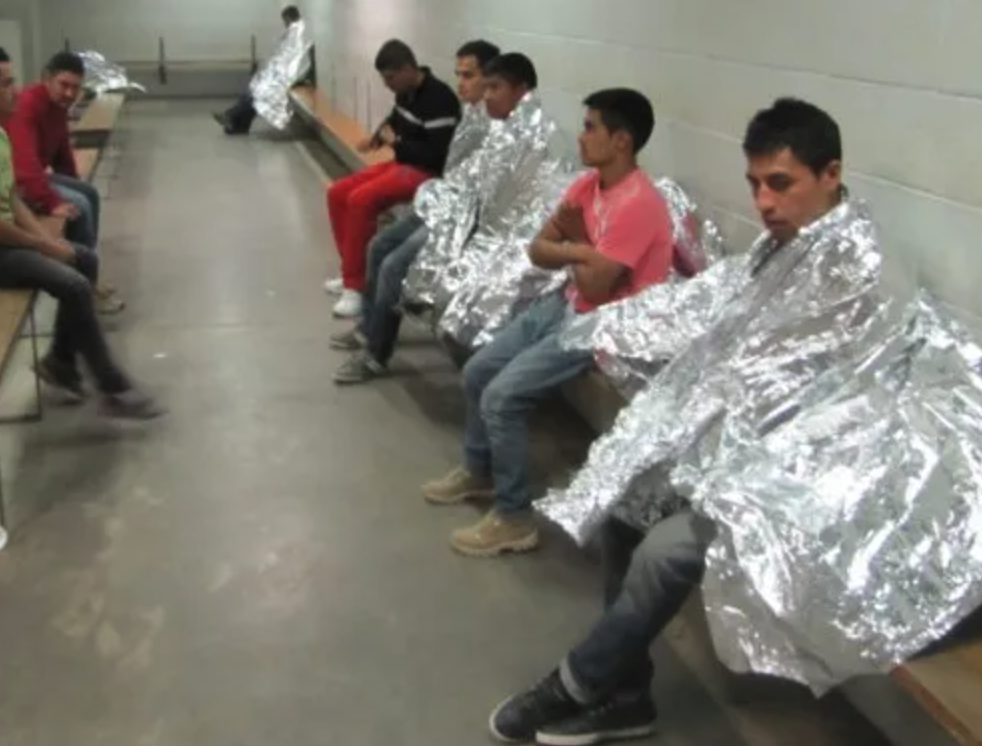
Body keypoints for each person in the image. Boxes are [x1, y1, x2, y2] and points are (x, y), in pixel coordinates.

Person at [487, 98, 846, 745]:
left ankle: (576, 683)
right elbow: (705, 307)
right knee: (626, 504)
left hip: (788, 481)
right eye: (755, 185)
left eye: (781, 184)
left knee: (662, 551)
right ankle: (628, 695)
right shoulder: (781, 251)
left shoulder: (849, 272)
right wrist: (608, 326)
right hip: (733, 452)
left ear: (830, 174)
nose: (764, 203)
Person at [423, 89, 674, 558]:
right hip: (567, 303)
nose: (581, 136)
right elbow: (538, 248)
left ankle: (515, 518)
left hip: (602, 326)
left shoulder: (639, 203)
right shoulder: (588, 186)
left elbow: (601, 290)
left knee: (502, 397)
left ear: (621, 140)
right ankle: (479, 472)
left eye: (591, 127)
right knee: (479, 370)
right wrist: (580, 248)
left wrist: (575, 246)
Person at [0, 45, 164, 420]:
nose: (15, 90)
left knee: (83, 258)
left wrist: (47, 239)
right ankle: (113, 387)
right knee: (71, 284)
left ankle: (61, 360)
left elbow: (10, 199)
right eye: (6, 83)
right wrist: (44, 245)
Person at [330, 43, 515, 384]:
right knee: (379, 246)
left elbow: (487, 195)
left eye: (470, 76)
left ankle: (376, 353)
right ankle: (369, 326)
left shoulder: (509, 131)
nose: (461, 83)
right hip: (446, 203)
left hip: (463, 219)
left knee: (393, 264)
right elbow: (458, 173)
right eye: (459, 74)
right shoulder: (475, 115)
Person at [325, 39, 462, 318]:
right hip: (403, 163)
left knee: (361, 200)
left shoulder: (440, 98)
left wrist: (396, 142)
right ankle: (353, 271)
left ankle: (358, 288)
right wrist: (376, 139)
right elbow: (394, 119)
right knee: (337, 193)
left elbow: (437, 155)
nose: (387, 85)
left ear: (408, 69)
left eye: (390, 78)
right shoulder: (405, 92)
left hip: (427, 172)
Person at [7, 50, 125, 314]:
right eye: (64, 85)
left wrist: (72, 183)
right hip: (16, 187)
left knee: (89, 194)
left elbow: (61, 153)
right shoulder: (28, 105)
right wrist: (52, 203)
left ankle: (87, 277)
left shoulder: (57, 107)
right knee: (79, 204)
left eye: (76, 87)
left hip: (34, 178)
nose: (70, 94)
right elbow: (24, 167)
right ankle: (83, 288)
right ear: (46, 79)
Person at [213, 5, 308, 135]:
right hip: (282, 76)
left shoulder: (296, 33)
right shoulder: (297, 31)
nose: (284, 24)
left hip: (287, 79)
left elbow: (287, 59)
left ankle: (232, 117)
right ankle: (239, 125)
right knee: (255, 92)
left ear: (288, 18)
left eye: (284, 21)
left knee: (257, 94)